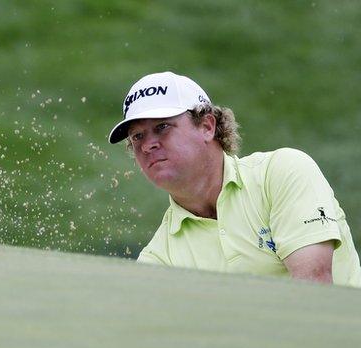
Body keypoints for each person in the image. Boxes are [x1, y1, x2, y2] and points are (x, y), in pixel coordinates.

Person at [108, 71, 361, 287]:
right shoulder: (158, 258)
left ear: (207, 126)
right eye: (137, 137)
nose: (147, 145)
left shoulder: (283, 172)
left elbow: (314, 286)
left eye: (162, 127)